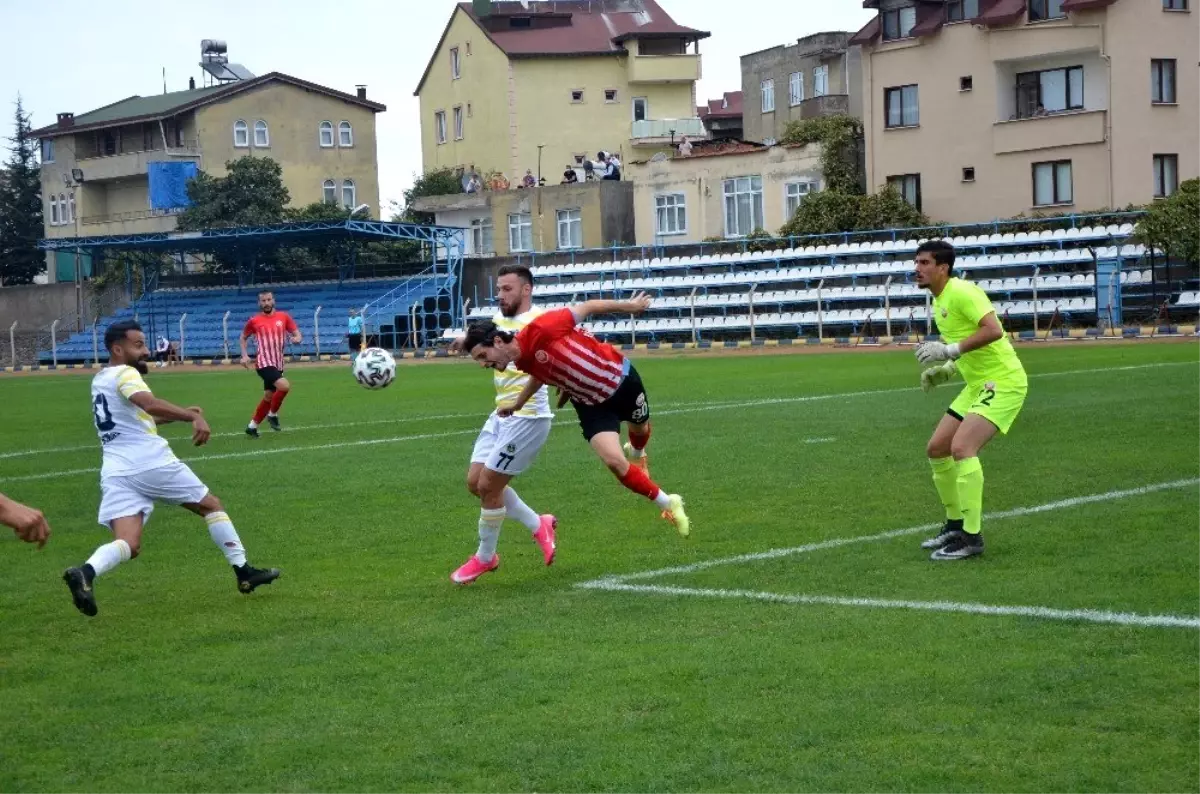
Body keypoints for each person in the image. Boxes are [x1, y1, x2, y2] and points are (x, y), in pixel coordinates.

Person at [62, 320, 280, 617]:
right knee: (211, 505)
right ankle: (244, 571)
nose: (146, 351)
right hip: (149, 461)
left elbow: (136, 418)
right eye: (138, 345)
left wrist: (182, 414)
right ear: (117, 349)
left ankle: (85, 572)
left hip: (116, 470)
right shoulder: (126, 374)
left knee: (129, 542)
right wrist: (192, 418)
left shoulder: (100, 379)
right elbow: (149, 405)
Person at [462, 292, 690, 539]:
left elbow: (589, 306)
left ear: (496, 342)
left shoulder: (543, 328)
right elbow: (541, 374)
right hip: (591, 405)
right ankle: (669, 503)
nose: (483, 364)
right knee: (614, 462)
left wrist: (631, 306)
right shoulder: (521, 360)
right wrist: (519, 403)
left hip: (620, 381)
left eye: (483, 357)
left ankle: (637, 454)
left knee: (640, 429)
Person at [913, 240, 1028, 561]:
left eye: (924, 263)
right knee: (937, 448)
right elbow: (966, 346)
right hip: (977, 383)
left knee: (962, 448)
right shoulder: (939, 301)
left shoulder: (962, 292)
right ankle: (955, 523)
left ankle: (971, 537)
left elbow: (993, 331)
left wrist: (949, 351)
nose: (917, 269)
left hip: (1003, 382)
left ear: (942, 268)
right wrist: (946, 371)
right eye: (916, 263)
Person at [447, 265, 558, 584]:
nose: (500, 295)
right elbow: (485, 337)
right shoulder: (499, 322)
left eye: (507, 289)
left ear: (526, 290)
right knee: (475, 483)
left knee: (488, 486)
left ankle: (485, 558)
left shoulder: (540, 321)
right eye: (498, 289)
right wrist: (464, 338)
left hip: (529, 417)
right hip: (501, 414)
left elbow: (555, 351)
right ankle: (540, 524)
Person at [240, 290, 302, 438]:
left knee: (269, 396)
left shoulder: (284, 317)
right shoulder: (254, 321)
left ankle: (252, 427)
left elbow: (297, 334)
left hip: (278, 363)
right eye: (263, 301)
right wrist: (244, 356)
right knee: (284, 386)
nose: (266, 303)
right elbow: (243, 337)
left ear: (273, 300)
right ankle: (272, 415)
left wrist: (297, 339)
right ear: (259, 303)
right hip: (263, 362)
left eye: (268, 300)